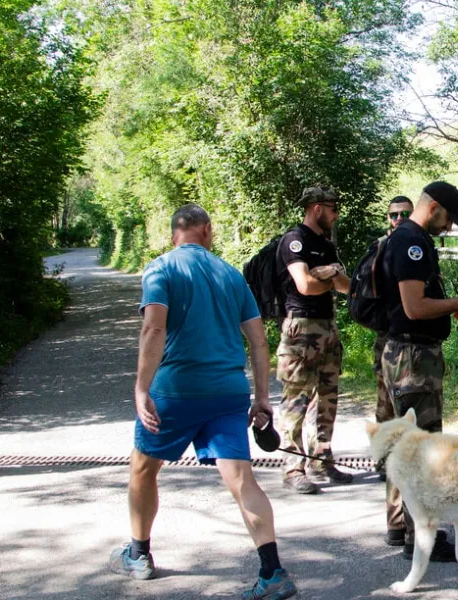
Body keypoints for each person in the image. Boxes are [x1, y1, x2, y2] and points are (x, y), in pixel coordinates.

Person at [108, 205, 297, 600]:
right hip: (228, 392)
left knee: (143, 468)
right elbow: (259, 340)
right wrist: (262, 398)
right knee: (243, 479)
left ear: (173, 233)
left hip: (175, 391)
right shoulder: (230, 273)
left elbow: (154, 326)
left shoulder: (160, 269)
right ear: (207, 231)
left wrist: (142, 388)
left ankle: (139, 554)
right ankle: (272, 572)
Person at [380, 180, 458, 561]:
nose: (447, 226)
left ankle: (398, 526)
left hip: (405, 353)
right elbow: (414, 307)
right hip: (413, 357)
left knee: (402, 444)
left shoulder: (406, 238)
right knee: (419, 449)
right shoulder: (412, 242)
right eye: (447, 218)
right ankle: (421, 538)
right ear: (434, 206)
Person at [274, 186, 353, 494]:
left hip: (327, 328)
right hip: (301, 329)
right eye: (333, 208)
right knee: (296, 399)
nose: (336, 214)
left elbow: (345, 287)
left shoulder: (326, 245)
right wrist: (326, 279)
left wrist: (330, 273)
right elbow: (304, 285)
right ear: (317, 208)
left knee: (327, 400)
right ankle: (293, 466)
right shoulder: (295, 241)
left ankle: (321, 459)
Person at [372, 195, 413, 546]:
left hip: (403, 341)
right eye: (393, 214)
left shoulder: (410, 243)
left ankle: (398, 520)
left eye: (405, 213)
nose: (398, 218)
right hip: (389, 342)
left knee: (399, 425)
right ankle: (399, 520)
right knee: (391, 422)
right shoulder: (381, 248)